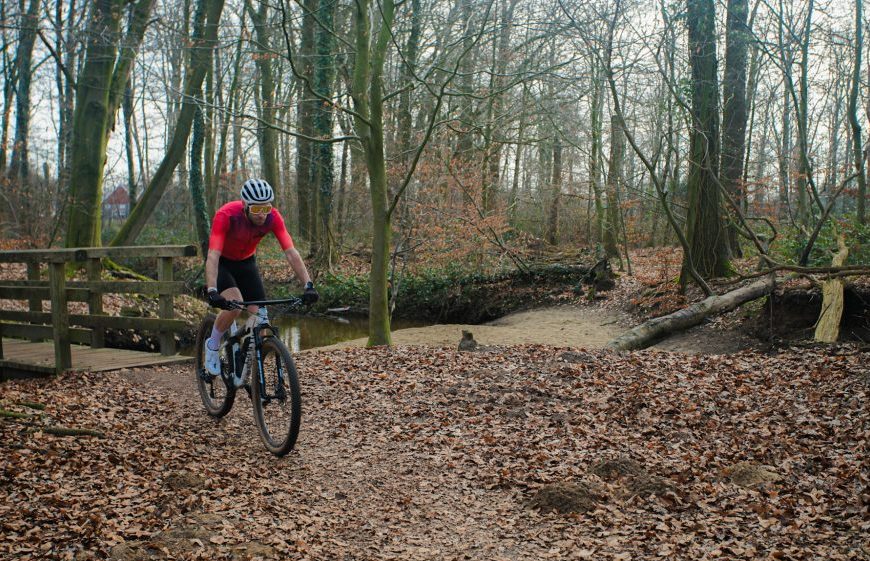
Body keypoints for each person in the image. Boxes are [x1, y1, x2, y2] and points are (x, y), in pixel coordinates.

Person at [203, 178, 318, 375]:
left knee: (261, 319)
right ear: (245, 206)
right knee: (235, 303)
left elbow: (291, 252)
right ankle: (212, 345)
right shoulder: (227, 215)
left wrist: (308, 284)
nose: (262, 215)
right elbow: (213, 255)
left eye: (266, 208)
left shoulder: (273, 217)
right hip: (223, 263)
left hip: (247, 263)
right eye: (256, 210)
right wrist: (212, 290)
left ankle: (245, 359)